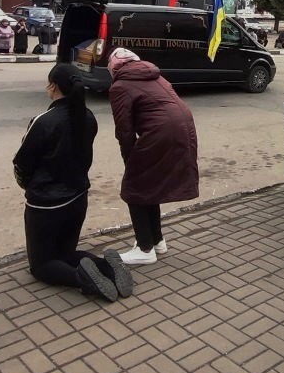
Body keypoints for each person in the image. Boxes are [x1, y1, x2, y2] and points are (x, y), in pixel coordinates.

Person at [13, 64, 132, 301]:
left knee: (41, 265)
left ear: (53, 86)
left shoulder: (44, 121)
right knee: (65, 253)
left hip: (47, 205)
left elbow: (22, 164)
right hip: (78, 198)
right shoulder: (87, 117)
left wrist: (32, 187)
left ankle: (85, 281)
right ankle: (106, 267)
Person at [108, 48, 200, 265]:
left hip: (162, 133)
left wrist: (129, 160)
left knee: (134, 188)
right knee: (149, 186)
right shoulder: (155, 75)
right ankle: (156, 240)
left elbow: (124, 130)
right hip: (184, 130)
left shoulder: (120, 86)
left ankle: (144, 248)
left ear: (113, 68)